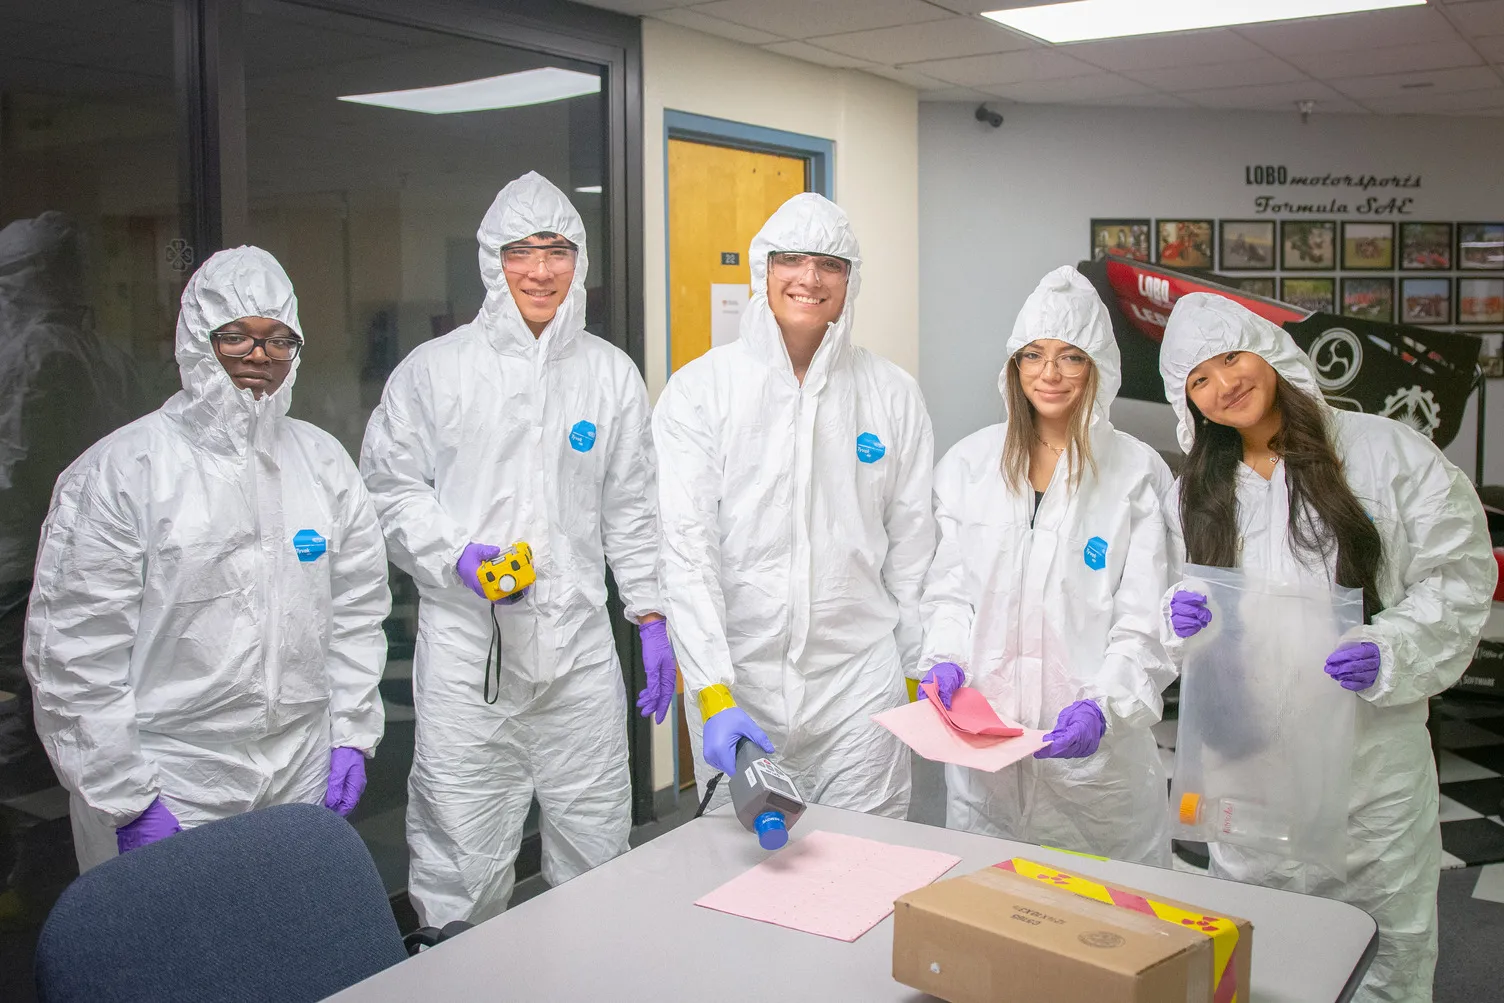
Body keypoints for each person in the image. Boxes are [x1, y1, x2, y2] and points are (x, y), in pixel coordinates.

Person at [1160, 293, 1495, 1003]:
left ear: (1269, 352)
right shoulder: (1196, 489)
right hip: (1248, 768)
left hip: (1369, 774)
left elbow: (1459, 574)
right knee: (1259, 946)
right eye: (1199, 379)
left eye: (1231, 357)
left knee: (1384, 948)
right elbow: (1157, 594)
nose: (1225, 384)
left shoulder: (1386, 455)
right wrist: (1178, 614)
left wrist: (1393, 647)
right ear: (1186, 400)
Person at [360, 172, 671, 926]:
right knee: (460, 857)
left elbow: (631, 505)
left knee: (597, 844)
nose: (540, 269)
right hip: (472, 657)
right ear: (490, 262)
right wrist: (454, 552)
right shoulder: (435, 372)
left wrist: (653, 614)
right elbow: (386, 487)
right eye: (521, 252)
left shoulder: (609, 374)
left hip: (579, 653)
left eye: (558, 250)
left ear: (581, 261)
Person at [24, 246, 391, 871]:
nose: (259, 356)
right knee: (167, 961)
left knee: (288, 948)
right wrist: (128, 798)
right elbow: (74, 655)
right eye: (237, 337)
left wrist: (351, 732)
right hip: (174, 773)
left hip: (298, 759)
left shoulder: (322, 463)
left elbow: (356, 609)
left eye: (278, 340)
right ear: (198, 339)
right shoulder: (125, 471)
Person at [653, 192, 935, 818]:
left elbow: (913, 547)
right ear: (765, 270)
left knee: (864, 872)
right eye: (792, 259)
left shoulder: (891, 395)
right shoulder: (702, 391)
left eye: (830, 263)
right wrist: (713, 694)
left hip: (861, 685)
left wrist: (920, 668)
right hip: (743, 683)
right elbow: (687, 550)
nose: (809, 277)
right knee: (742, 881)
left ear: (849, 280)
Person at [919, 266, 1174, 864]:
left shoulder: (1136, 475)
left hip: (1097, 770)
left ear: (1099, 367)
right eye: (1034, 355)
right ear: (1014, 365)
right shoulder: (971, 465)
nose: (1050, 374)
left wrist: (1103, 707)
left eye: (1071, 357)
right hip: (989, 757)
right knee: (990, 920)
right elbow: (951, 593)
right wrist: (945, 660)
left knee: (1108, 929)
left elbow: (1146, 621)